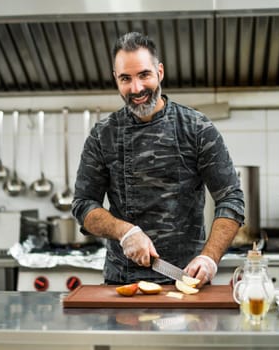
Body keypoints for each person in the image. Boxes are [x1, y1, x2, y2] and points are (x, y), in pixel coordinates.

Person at [72, 32, 244, 288]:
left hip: (186, 280)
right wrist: (125, 231)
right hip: (123, 284)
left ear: (160, 72)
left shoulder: (197, 128)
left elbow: (231, 199)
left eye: (144, 75)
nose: (136, 88)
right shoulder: (103, 135)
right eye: (125, 79)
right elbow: (83, 205)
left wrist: (209, 257)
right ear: (116, 80)